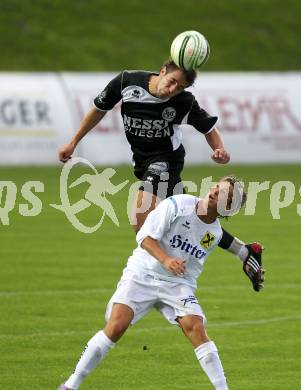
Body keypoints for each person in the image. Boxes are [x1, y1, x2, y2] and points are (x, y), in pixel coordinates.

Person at [58, 176, 264, 390]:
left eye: (223, 194)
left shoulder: (214, 234)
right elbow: (145, 238)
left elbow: (191, 270)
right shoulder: (177, 204)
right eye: (216, 187)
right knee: (116, 326)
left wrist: (183, 287)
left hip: (175, 283)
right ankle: (70, 385)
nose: (214, 192)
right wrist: (166, 260)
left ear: (229, 208)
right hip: (142, 273)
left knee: (196, 327)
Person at [58, 60, 260, 274]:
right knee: (191, 214)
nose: (173, 90)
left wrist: (219, 149)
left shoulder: (183, 101)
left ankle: (159, 269)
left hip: (166, 160)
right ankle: (245, 251)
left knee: (140, 219)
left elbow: (209, 127)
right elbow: (99, 109)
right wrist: (74, 142)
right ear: (162, 71)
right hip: (142, 162)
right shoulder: (127, 82)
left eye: (180, 87)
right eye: (172, 82)